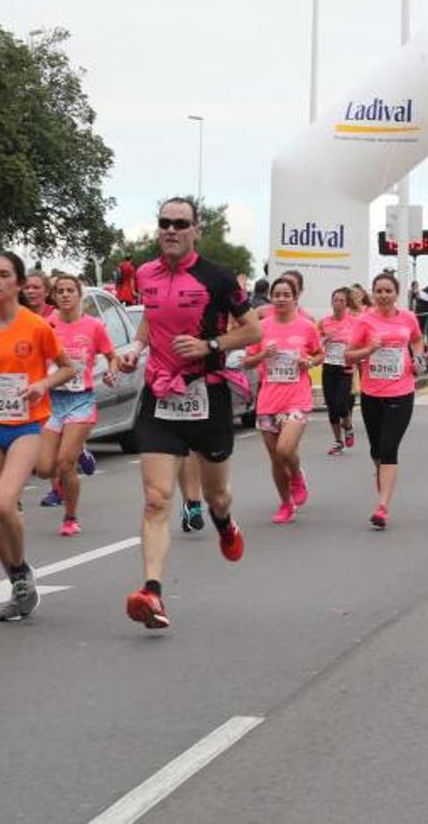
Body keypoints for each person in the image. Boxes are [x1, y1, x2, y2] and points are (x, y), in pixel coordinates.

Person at [118, 197, 261, 629]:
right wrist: (136, 347)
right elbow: (152, 320)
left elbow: (253, 329)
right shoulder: (144, 273)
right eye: (165, 223)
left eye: (181, 223)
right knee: (157, 498)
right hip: (162, 396)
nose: (171, 230)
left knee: (217, 495)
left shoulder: (216, 277)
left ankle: (223, 523)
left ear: (196, 229)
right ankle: (153, 593)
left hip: (208, 396)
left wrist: (211, 345)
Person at [0, 251, 76, 621]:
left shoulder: (36, 326)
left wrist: (42, 382)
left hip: (25, 426)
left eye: (4, 274)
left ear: (19, 284)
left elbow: (69, 369)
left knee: (5, 504)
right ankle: (18, 583)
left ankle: (21, 570)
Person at [37, 274, 118, 536]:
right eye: (60, 291)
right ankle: (81, 452)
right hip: (53, 401)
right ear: (54, 296)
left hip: (81, 400)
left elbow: (111, 357)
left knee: (64, 463)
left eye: (70, 290)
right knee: (44, 469)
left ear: (79, 294)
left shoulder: (94, 326)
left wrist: (111, 372)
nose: (65, 295)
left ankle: (70, 517)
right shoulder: (46, 325)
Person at [345, 272, 425, 530]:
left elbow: (417, 339)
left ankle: (382, 507)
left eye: (388, 291)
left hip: (401, 391)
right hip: (372, 393)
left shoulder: (408, 318)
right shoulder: (364, 321)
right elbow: (348, 356)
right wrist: (369, 350)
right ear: (372, 293)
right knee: (376, 450)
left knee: (390, 447)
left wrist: (418, 359)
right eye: (378, 291)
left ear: (396, 293)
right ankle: (382, 477)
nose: (383, 295)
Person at [242, 276, 322, 524]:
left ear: (295, 297)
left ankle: (296, 475)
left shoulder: (306, 326)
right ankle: (286, 504)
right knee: (276, 459)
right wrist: (263, 355)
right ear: (271, 298)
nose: (281, 299)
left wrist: (308, 361)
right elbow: (246, 361)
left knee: (285, 449)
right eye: (277, 295)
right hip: (268, 399)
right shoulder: (262, 327)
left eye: (287, 295)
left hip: (296, 398)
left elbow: (319, 353)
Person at [319, 287, 358, 455]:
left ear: (346, 303)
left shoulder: (353, 322)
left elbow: (359, 344)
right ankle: (338, 442)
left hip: (345, 367)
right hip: (328, 366)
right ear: (331, 302)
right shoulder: (324, 322)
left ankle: (348, 425)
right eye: (336, 300)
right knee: (331, 407)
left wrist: (354, 363)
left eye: (342, 300)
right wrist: (325, 339)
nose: (339, 303)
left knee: (341, 404)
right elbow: (316, 345)